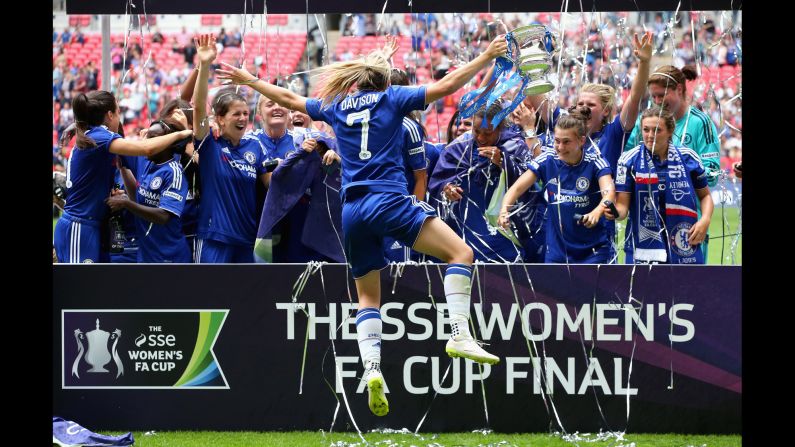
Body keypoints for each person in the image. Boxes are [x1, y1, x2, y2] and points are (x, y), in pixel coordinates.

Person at [217, 33, 507, 417]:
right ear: (386, 79)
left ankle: (372, 369)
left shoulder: (338, 105)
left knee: (368, 297)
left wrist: (249, 79)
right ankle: (459, 334)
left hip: (352, 210)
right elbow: (448, 85)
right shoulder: (393, 98)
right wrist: (486, 54)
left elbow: (287, 99)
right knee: (461, 253)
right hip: (389, 199)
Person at [53, 91, 192, 263]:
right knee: (78, 287)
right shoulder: (100, 136)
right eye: (118, 113)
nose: (120, 118)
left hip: (91, 225)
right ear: (110, 115)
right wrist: (181, 134)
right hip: (79, 225)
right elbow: (147, 149)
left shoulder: (93, 134)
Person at [622, 64, 721, 259]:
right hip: (646, 223)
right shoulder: (647, 121)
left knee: (688, 286)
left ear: (679, 89)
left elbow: (713, 174)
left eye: (662, 95)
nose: (657, 102)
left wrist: (679, 173)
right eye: (654, 96)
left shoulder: (700, 122)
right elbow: (627, 161)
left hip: (688, 224)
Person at [192, 34, 272, 263]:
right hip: (214, 238)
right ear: (220, 118)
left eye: (246, 114)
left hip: (246, 240)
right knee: (210, 299)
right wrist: (205, 64)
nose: (243, 118)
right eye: (236, 114)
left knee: (245, 299)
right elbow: (198, 108)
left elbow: (271, 182)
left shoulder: (254, 147)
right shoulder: (210, 144)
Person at [499, 109, 615, 264]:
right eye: (556, 141)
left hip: (593, 250)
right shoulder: (547, 159)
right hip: (557, 251)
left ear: (581, 141)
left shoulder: (595, 161)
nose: (560, 147)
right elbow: (517, 188)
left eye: (566, 142)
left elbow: (609, 192)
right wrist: (503, 210)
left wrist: (597, 212)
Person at [429, 100, 536, 262]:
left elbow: (533, 183)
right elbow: (439, 180)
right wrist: (447, 188)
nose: (480, 138)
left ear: (500, 127)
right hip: (463, 225)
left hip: (503, 228)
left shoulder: (515, 145)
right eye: (476, 131)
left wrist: (503, 161)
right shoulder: (459, 146)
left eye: (488, 133)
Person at [607, 106, 713, 264]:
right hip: (641, 246)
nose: (650, 136)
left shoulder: (688, 157)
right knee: (643, 290)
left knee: (685, 289)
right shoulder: (628, 160)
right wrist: (614, 212)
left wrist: (705, 220)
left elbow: (705, 196)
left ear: (670, 131)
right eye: (646, 129)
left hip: (684, 241)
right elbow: (622, 208)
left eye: (657, 130)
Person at [106, 119, 192, 263]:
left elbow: (163, 216)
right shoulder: (143, 160)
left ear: (166, 143)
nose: (147, 142)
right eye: (148, 137)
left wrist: (126, 203)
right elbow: (116, 137)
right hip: (146, 255)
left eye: (153, 138)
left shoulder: (173, 173)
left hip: (170, 257)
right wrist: (82, 124)